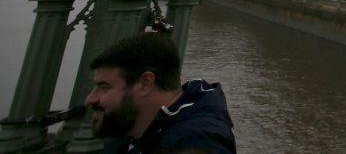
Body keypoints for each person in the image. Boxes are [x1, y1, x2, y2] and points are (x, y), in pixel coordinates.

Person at [84, 32, 236, 154]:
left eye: (104, 87)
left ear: (145, 84)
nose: (89, 99)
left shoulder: (195, 142)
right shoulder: (128, 126)